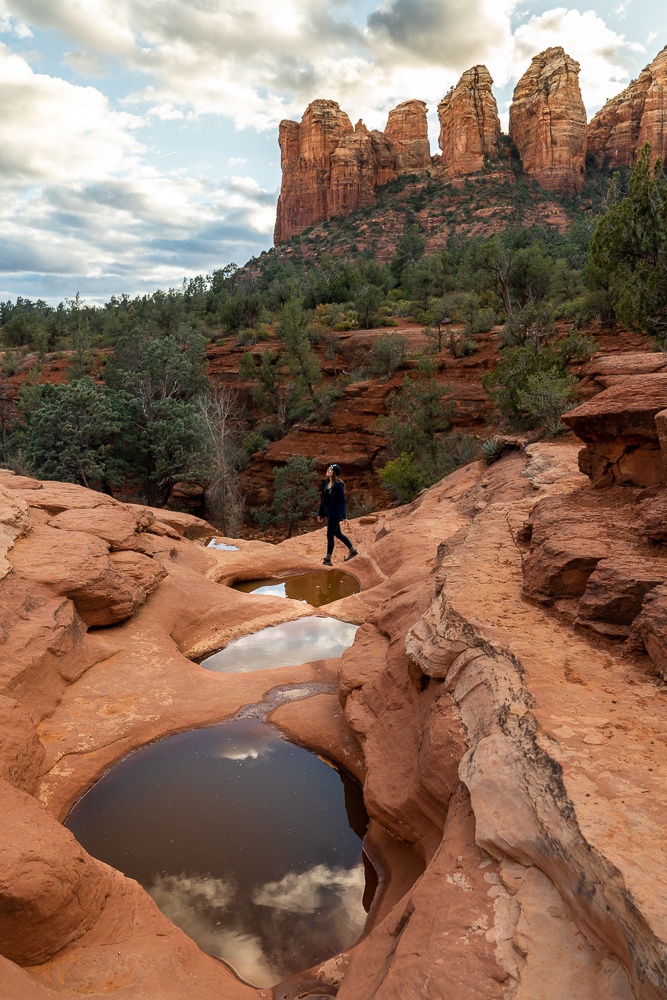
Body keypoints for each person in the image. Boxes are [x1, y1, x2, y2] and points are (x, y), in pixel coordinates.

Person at [317, 463, 358, 566]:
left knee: (330, 536)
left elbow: (341, 501)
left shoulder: (338, 485)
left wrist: (344, 517)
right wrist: (320, 514)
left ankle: (327, 559)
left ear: (334, 472)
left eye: (330, 469)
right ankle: (353, 551)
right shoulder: (326, 484)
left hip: (335, 514)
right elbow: (323, 501)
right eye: (328, 468)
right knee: (338, 534)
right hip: (328, 512)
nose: (328, 470)